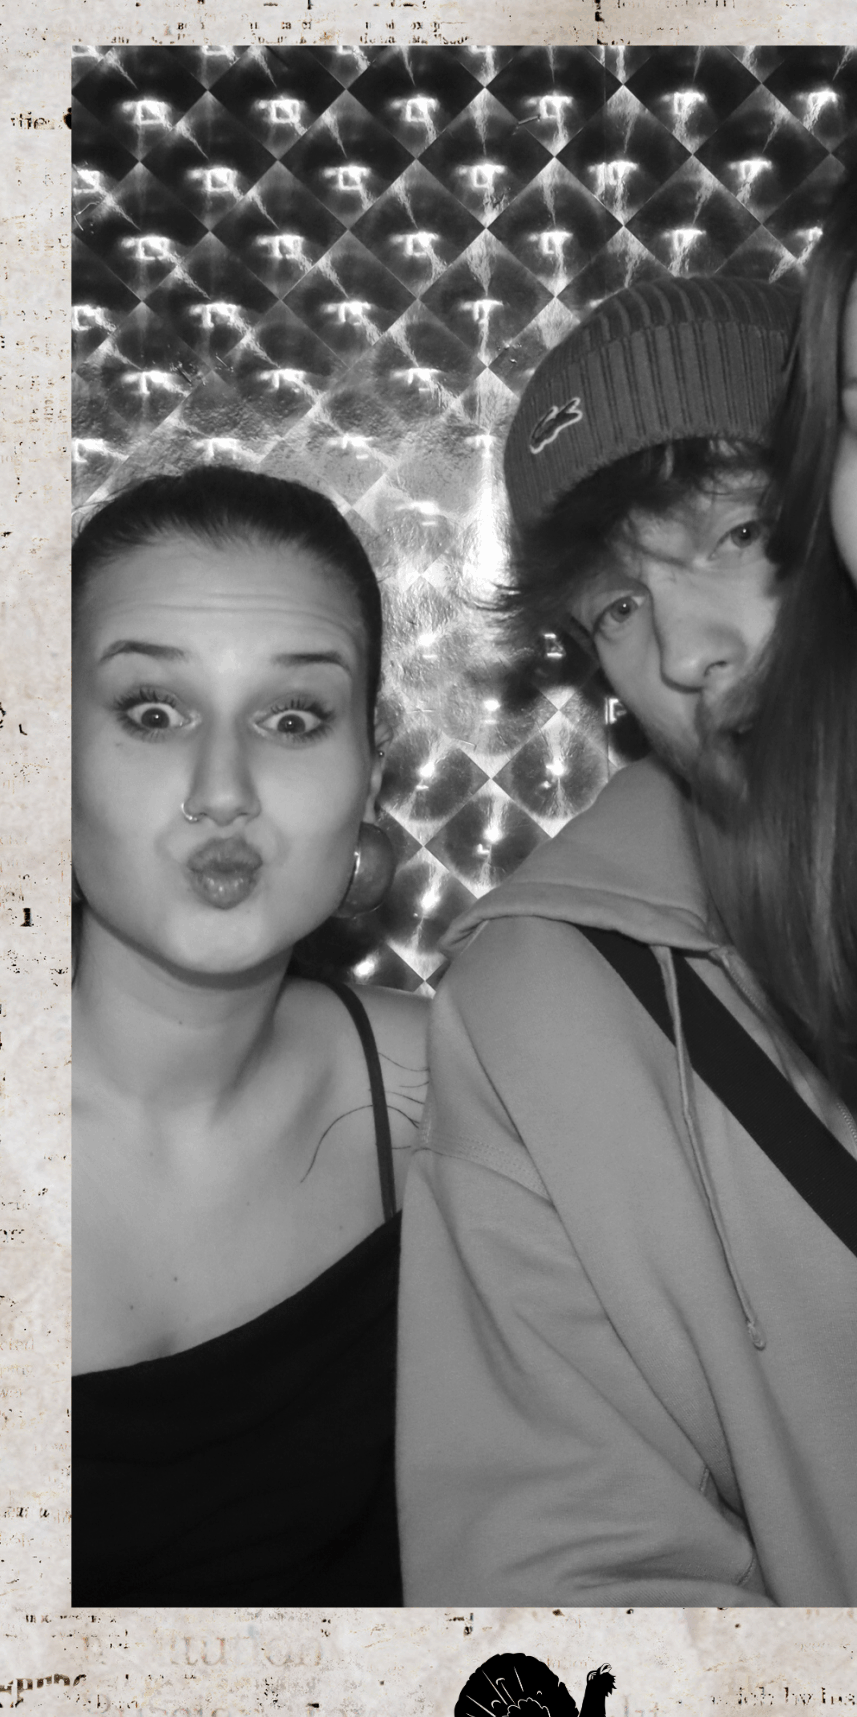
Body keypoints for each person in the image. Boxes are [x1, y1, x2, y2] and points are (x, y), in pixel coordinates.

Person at [396, 67, 857, 1608]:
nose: (686, 651)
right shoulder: (543, 1005)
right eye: (616, 604)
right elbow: (565, 1563)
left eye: (739, 535)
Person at [71, 467, 427, 1605]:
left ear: (369, 772)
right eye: (152, 712)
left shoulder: (460, 1088)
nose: (222, 790)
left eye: (292, 719)